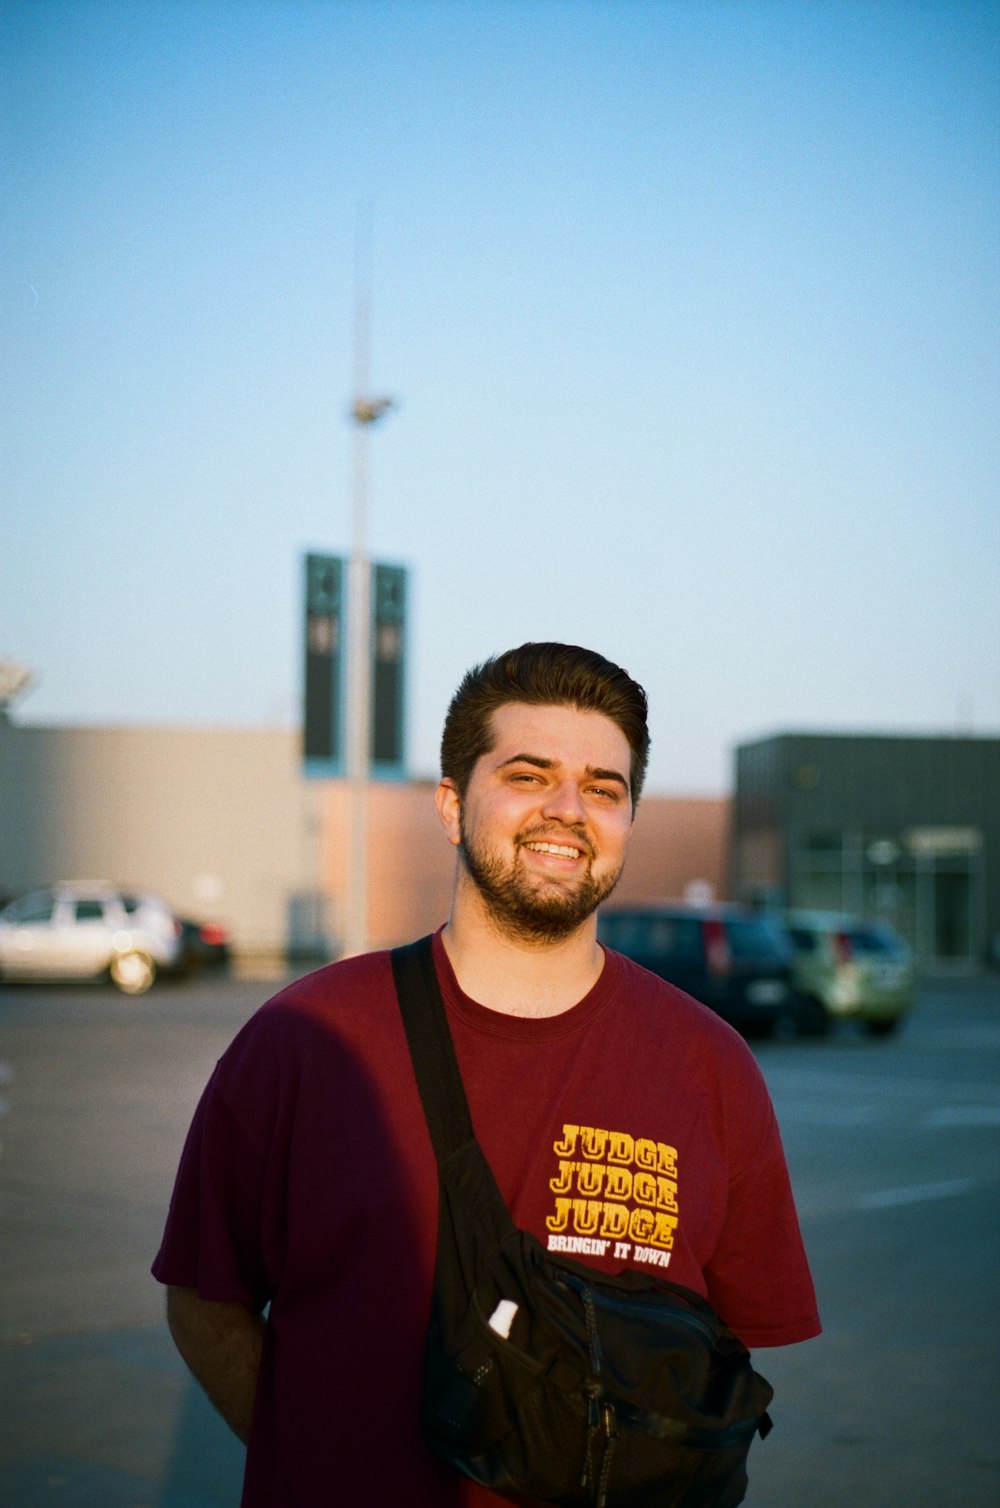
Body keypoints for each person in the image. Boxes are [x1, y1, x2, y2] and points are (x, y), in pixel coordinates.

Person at [154, 641, 820, 1506]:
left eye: (604, 788)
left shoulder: (710, 1064)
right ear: (451, 803)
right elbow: (206, 1303)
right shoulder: (307, 1038)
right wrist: (319, 1459)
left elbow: (728, 1346)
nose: (568, 811)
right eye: (529, 775)